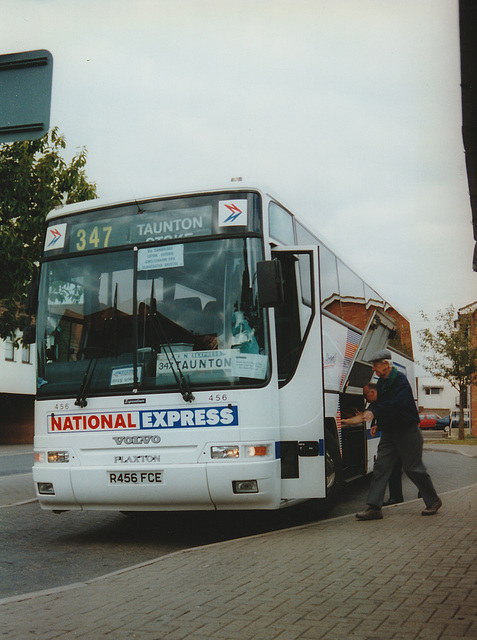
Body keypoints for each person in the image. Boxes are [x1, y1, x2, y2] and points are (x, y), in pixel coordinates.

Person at [354, 349, 441, 520]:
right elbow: (380, 403)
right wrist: (377, 420)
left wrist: (376, 412)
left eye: (375, 365)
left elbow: (396, 405)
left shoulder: (400, 381)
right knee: (381, 467)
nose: (373, 369)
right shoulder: (381, 382)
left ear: (386, 364)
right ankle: (374, 508)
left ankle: (433, 501)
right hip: (390, 432)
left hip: (407, 431)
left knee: (412, 468)